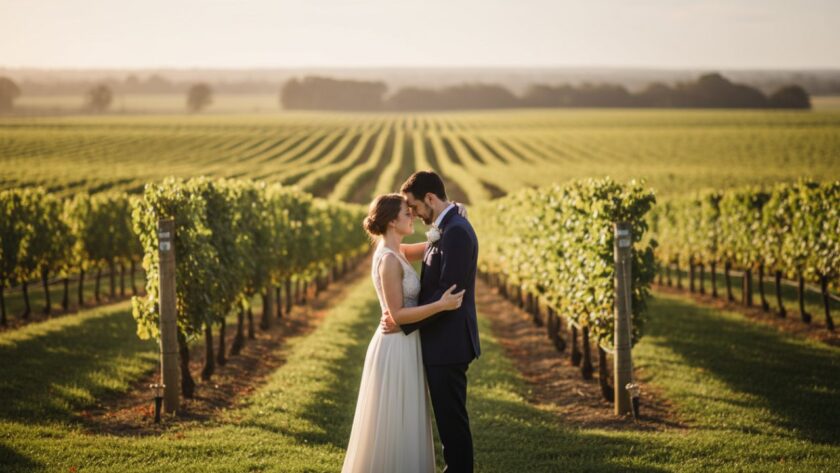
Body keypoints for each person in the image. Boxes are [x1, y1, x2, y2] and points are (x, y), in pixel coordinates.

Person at [342, 192, 465, 473]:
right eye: (406, 212)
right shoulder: (387, 260)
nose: (412, 215)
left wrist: (454, 212)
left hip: (406, 342)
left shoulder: (398, 250)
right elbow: (397, 316)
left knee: (405, 416)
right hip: (396, 346)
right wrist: (441, 305)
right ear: (391, 221)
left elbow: (434, 243)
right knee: (395, 418)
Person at [382, 170, 481, 473]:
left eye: (413, 206)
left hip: (449, 344)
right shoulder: (446, 228)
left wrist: (403, 321)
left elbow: (448, 295)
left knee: (452, 423)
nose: (411, 212)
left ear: (430, 198)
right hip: (441, 343)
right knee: (448, 421)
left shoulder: (457, 232)